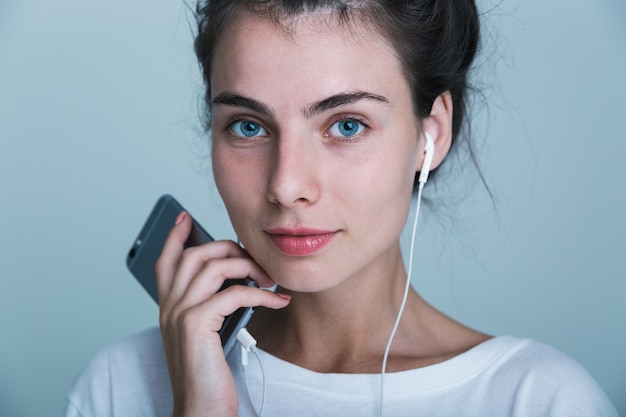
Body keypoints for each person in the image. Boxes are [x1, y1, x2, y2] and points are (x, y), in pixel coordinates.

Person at [61, 1, 618, 416]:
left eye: (346, 125)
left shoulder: (538, 400)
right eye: (248, 126)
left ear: (431, 135)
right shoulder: (122, 385)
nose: (286, 186)